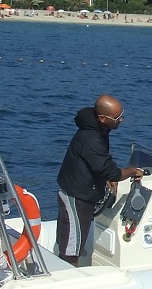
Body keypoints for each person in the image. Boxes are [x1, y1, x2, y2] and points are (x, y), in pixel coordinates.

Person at [56, 94, 145, 266]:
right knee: (72, 249)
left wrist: (105, 177)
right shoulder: (90, 138)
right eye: (117, 118)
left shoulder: (101, 129)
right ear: (103, 118)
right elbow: (112, 172)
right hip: (76, 197)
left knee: (74, 242)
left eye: (122, 115)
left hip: (85, 192)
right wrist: (134, 171)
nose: (122, 120)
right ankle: (66, 277)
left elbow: (100, 163)